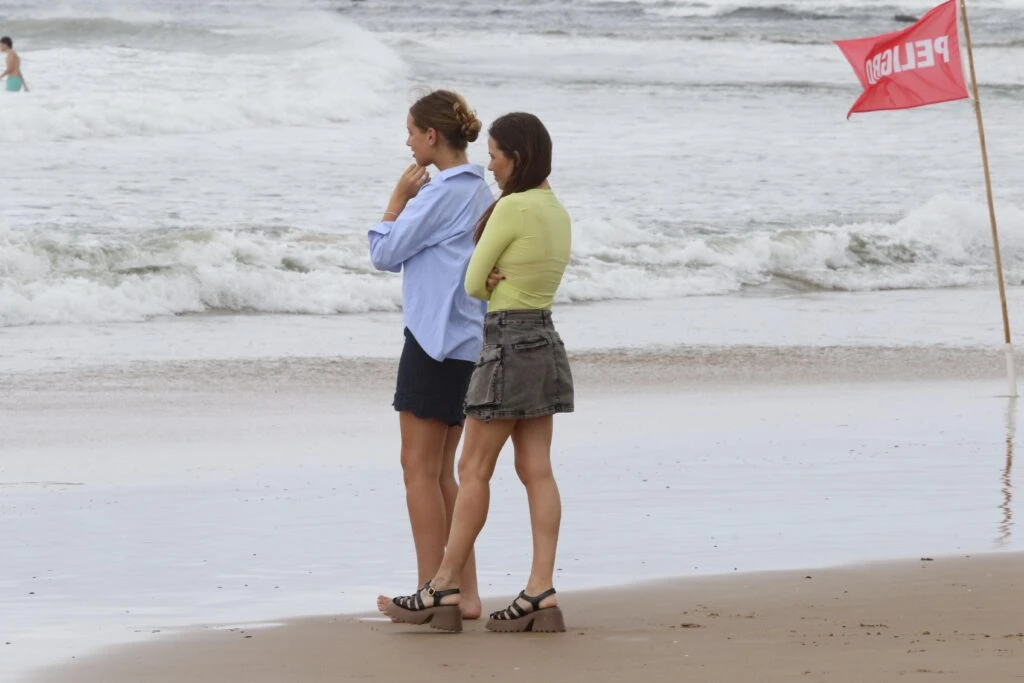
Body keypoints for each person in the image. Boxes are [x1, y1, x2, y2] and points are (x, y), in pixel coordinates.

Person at [382, 112, 574, 634]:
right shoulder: (557, 211)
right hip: (546, 340)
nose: (489, 166)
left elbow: (473, 282)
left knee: (472, 471)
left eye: (495, 155)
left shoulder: (510, 207)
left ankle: (444, 585)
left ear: (517, 157)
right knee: (538, 470)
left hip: (507, 342)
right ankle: (540, 589)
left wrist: (485, 277)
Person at [369, 90, 493, 621]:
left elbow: (384, 253)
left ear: (432, 136)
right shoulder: (482, 190)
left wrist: (396, 198)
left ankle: (431, 592)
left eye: (412, 131)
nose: (407, 140)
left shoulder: (438, 193)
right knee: (445, 472)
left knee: (418, 469)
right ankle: (464, 594)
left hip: (431, 339)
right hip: (468, 340)